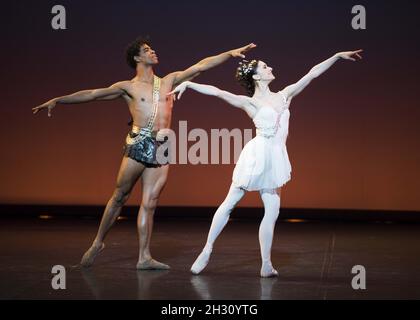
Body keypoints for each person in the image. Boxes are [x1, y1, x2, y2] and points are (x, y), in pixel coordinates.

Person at [32, 37, 256, 270]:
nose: (153, 51)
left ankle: (144, 257)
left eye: (152, 48)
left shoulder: (169, 81)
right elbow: (92, 94)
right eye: (147, 50)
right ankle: (98, 242)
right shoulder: (128, 87)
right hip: (139, 141)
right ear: (138, 58)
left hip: (162, 146)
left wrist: (230, 53)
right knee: (120, 196)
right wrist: (58, 100)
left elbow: (201, 65)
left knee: (150, 203)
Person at [169, 49, 363, 277]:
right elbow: (218, 92)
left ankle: (266, 264)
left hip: (276, 156)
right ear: (256, 76)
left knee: (272, 211)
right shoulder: (250, 103)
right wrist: (189, 85)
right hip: (257, 153)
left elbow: (312, 74)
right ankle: (206, 250)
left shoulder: (284, 95)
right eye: (264, 66)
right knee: (230, 202)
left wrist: (337, 56)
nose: (270, 68)